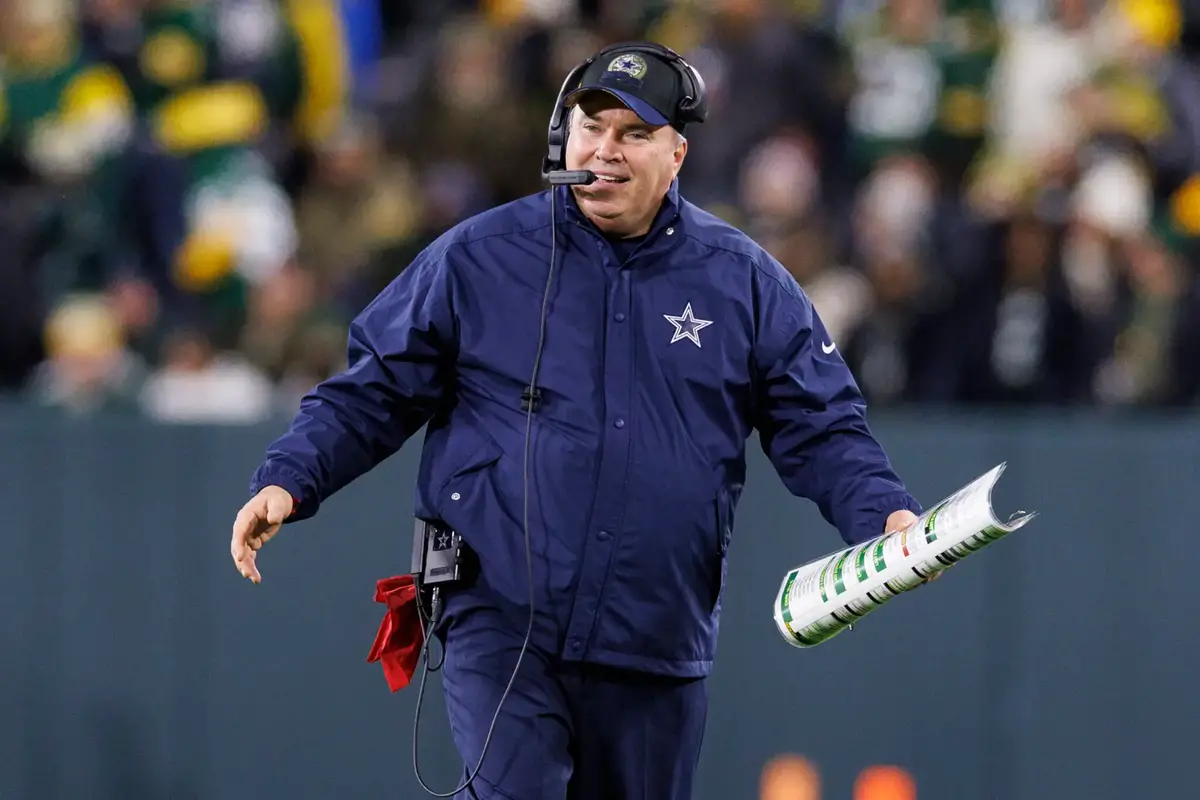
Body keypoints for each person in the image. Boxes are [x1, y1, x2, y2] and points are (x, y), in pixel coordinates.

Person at [230, 41, 923, 800]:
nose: (606, 149)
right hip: (499, 611)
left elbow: (821, 425)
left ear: (677, 153)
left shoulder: (745, 283)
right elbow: (373, 388)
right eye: (591, 126)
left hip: (655, 631)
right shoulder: (480, 257)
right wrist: (290, 478)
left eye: (634, 133)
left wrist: (881, 513)